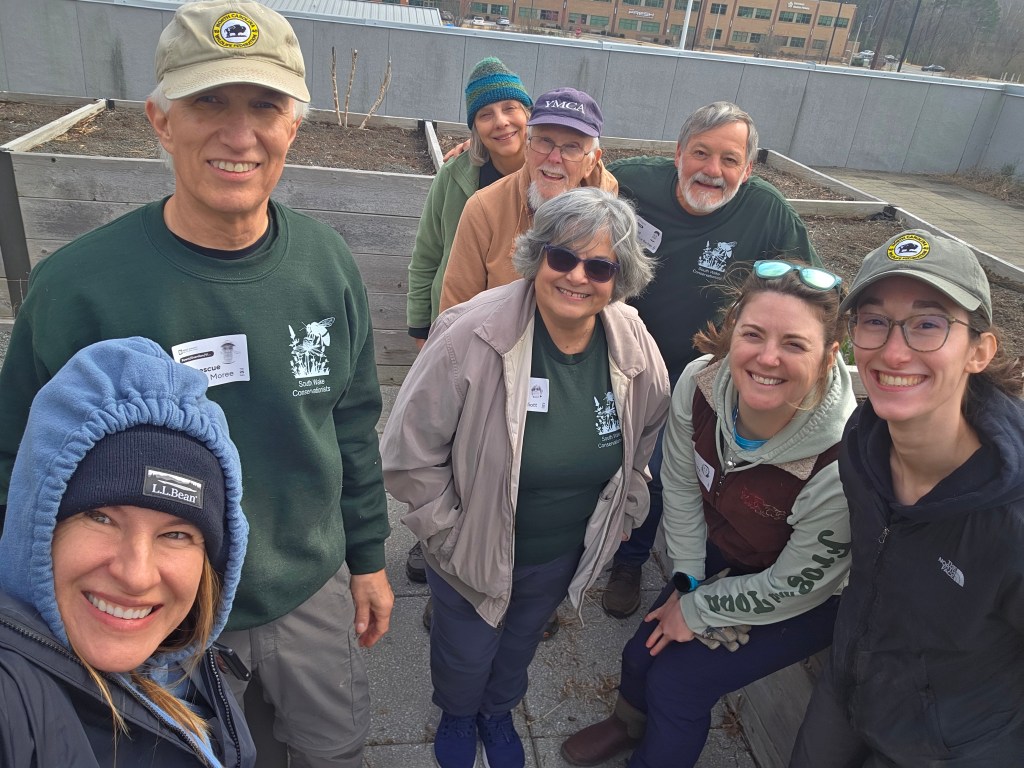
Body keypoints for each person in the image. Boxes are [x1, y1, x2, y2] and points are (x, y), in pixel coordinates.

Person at [0, 2, 393, 765]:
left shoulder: (327, 266)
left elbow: (351, 423)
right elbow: (15, 461)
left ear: (293, 128)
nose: (238, 133)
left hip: (304, 588)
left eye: (264, 106)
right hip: (145, 607)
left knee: (330, 751)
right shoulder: (80, 288)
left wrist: (369, 557)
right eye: (209, 100)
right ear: (160, 118)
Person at [381, 187, 669, 768]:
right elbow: (407, 451)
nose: (577, 276)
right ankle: (460, 713)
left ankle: (499, 709)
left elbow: (647, 427)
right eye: (561, 257)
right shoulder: (473, 333)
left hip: (561, 549)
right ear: (537, 256)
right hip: (472, 541)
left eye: (599, 266)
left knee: (518, 642)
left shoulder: (630, 336)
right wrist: (446, 532)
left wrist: (624, 510)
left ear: (621, 277)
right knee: (464, 647)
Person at [562, 259, 856, 768]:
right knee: (642, 652)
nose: (768, 358)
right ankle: (627, 724)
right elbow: (678, 482)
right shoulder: (700, 384)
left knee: (680, 683)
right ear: (732, 328)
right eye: (754, 334)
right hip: (730, 544)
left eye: (794, 344)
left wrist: (703, 612)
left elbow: (800, 582)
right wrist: (690, 582)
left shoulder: (839, 461)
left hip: (806, 592)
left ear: (830, 356)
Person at [790, 230, 1024, 767]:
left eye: (928, 324)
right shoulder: (864, 442)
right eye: (874, 321)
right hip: (849, 685)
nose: (894, 350)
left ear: (979, 351)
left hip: (952, 741)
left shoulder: (1011, 520)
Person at [600, 101, 821, 619]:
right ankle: (565, 556)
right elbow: (560, 168)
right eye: (701, 153)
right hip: (612, 352)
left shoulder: (767, 211)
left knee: (656, 467)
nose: (712, 170)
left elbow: (806, 292)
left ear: (746, 170)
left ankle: (629, 561)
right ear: (678, 154)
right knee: (590, 450)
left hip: (692, 371)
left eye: (729, 159)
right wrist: (475, 158)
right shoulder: (630, 183)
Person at [0, 336, 254, 767]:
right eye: (100, 518)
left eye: (176, 534)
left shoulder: (175, 651)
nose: (137, 576)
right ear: (37, 525)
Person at [403, 57, 532, 586]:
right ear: (473, 126)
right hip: (460, 325)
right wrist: (421, 329)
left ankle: (504, 541)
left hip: (526, 331)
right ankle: (432, 537)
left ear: (528, 112)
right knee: (449, 434)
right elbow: (427, 254)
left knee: (509, 441)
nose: (501, 122)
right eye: (486, 114)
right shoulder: (456, 178)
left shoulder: (557, 172)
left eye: (510, 108)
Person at [438, 86, 618, 312]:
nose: (554, 158)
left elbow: (614, 305)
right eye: (544, 141)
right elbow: (456, 307)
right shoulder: (484, 208)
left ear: (592, 161)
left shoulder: (613, 215)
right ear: (527, 146)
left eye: (571, 147)